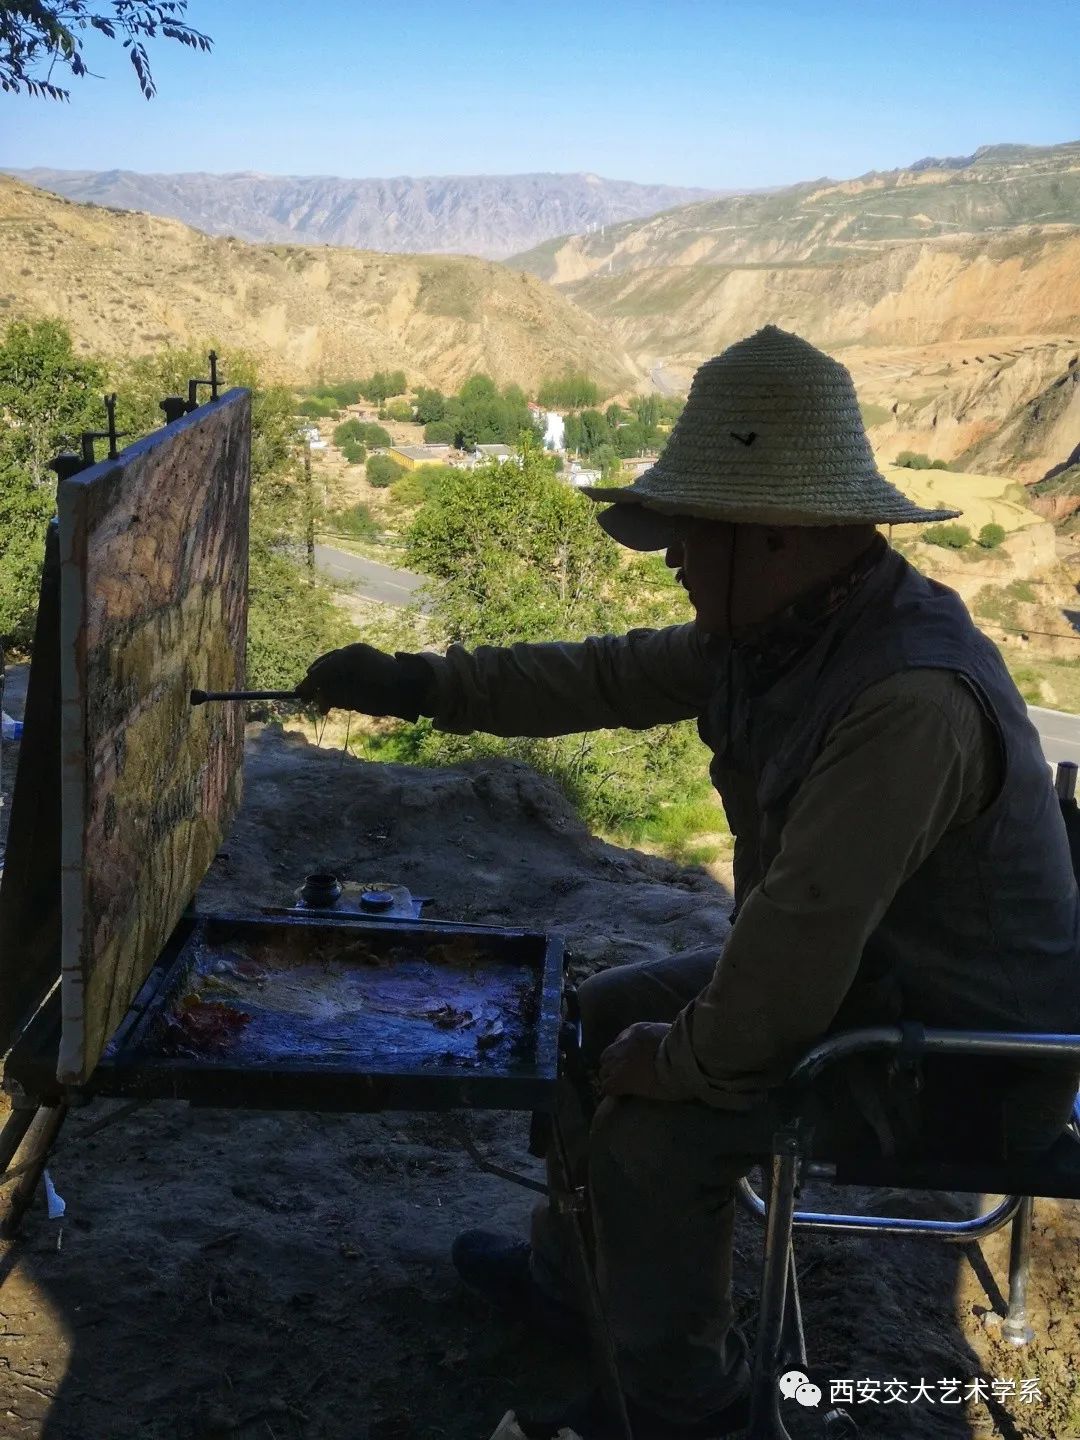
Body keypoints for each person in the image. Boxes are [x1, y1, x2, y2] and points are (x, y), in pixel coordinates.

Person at [296, 326, 1080, 1440]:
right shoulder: (784, 630)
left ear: (774, 534)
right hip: (866, 986)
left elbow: (800, 940)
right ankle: (577, 1288)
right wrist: (416, 684)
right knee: (580, 1021)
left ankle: (682, 1404)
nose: (669, 556)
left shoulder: (904, 698)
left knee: (655, 1134)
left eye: (688, 531)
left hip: (958, 1056)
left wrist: (680, 1061)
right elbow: (599, 676)